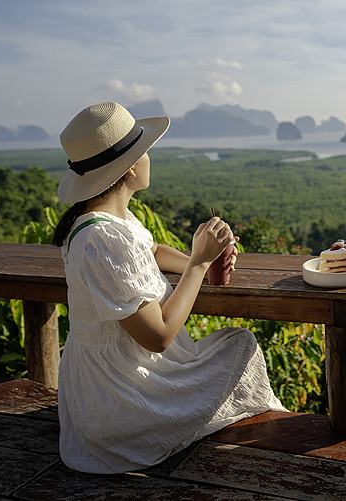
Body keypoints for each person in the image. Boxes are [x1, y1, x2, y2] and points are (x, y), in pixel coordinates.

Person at [52, 101, 285, 474]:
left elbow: (151, 251)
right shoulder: (102, 239)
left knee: (235, 346)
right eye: (144, 151)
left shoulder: (102, 220)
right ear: (129, 167)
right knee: (240, 347)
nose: (149, 157)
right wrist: (198, 263)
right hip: (121, 399)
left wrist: (203, 261)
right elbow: (157, 336)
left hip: (103, 386)